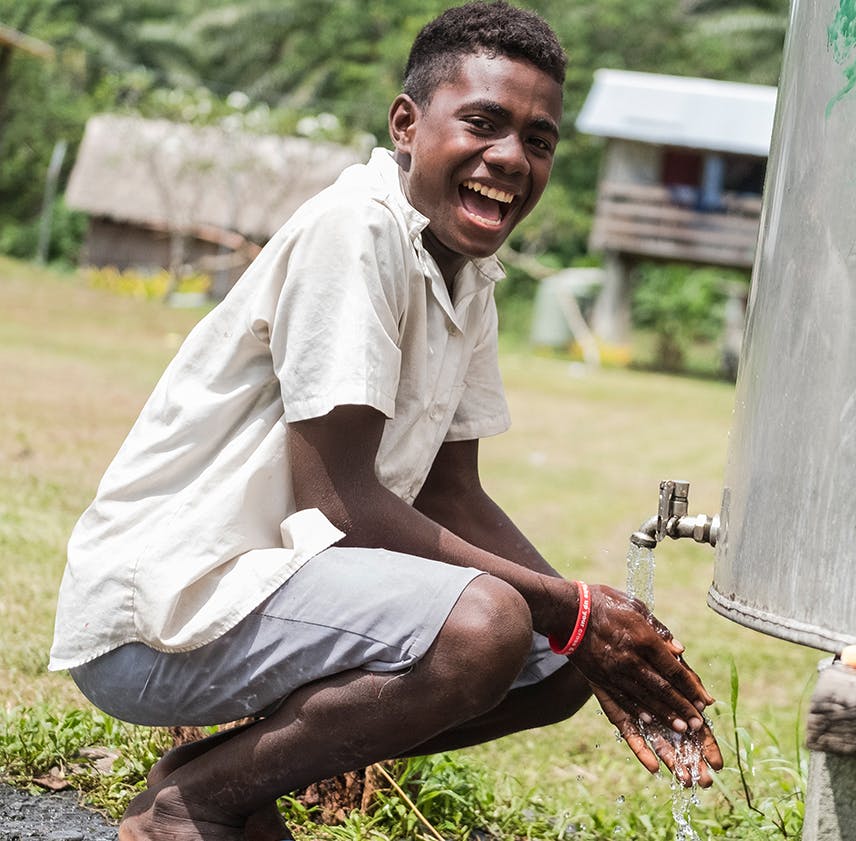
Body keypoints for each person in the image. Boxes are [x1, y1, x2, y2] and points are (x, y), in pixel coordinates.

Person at [49, 3, 723, 839]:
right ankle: (195, 807)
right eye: (484, 122)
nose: (510, 158)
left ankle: (219, 782)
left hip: (268, 597)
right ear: (407, 123)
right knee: (490, 625)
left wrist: (594, 624)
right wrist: (571, 607)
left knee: (557, 665)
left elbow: (451, 491)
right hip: (164, 614)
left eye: (539, 140)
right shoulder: (358, 229)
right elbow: (341, 504)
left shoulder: (465, 267)